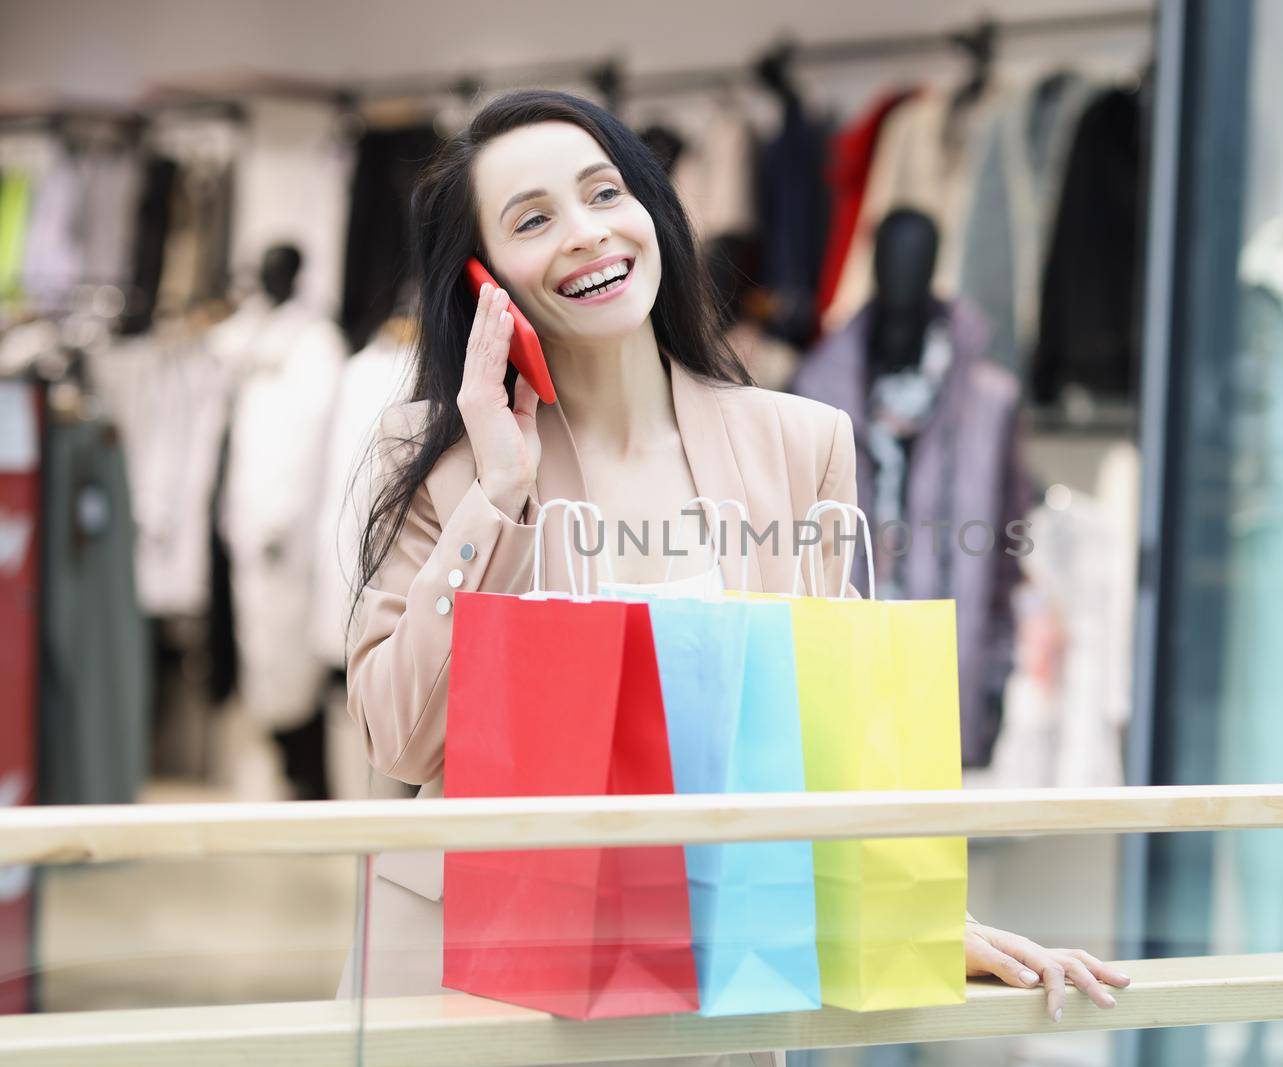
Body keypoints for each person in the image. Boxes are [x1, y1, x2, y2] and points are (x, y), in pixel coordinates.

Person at [341, 89, 1129, 1055]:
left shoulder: (800, 444)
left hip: (715, 966)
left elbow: (829, 739)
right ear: (484, 276)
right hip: (475, 969)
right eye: (533, 219)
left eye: (604, 193)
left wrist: (930, 924)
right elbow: (402, 736)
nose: (588, 234)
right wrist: (496, 491)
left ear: (654, 210)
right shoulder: (436, 455)